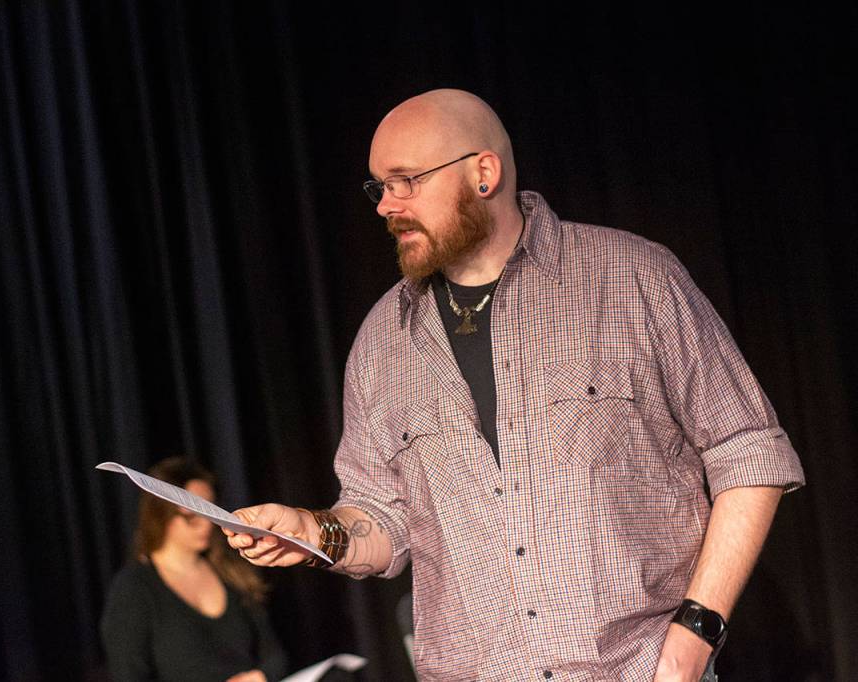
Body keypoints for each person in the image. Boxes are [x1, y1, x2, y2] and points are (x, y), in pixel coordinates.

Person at [225, 88, 806, 681]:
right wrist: (312, 531)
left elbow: (749, 452)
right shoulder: (382, 339)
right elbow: (384, 519)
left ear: (483, 173)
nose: (385, 206)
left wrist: (695, 637)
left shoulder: (631, 277)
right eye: (379, 187)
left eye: (406, 182)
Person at [101, 456, 287, 682]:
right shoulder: (134, 587)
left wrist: (259, 676)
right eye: (192, 516)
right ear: (161, 514)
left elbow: (275, 654)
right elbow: (128, 675)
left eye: (209, 513)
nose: (206, 525)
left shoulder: (230, 570)